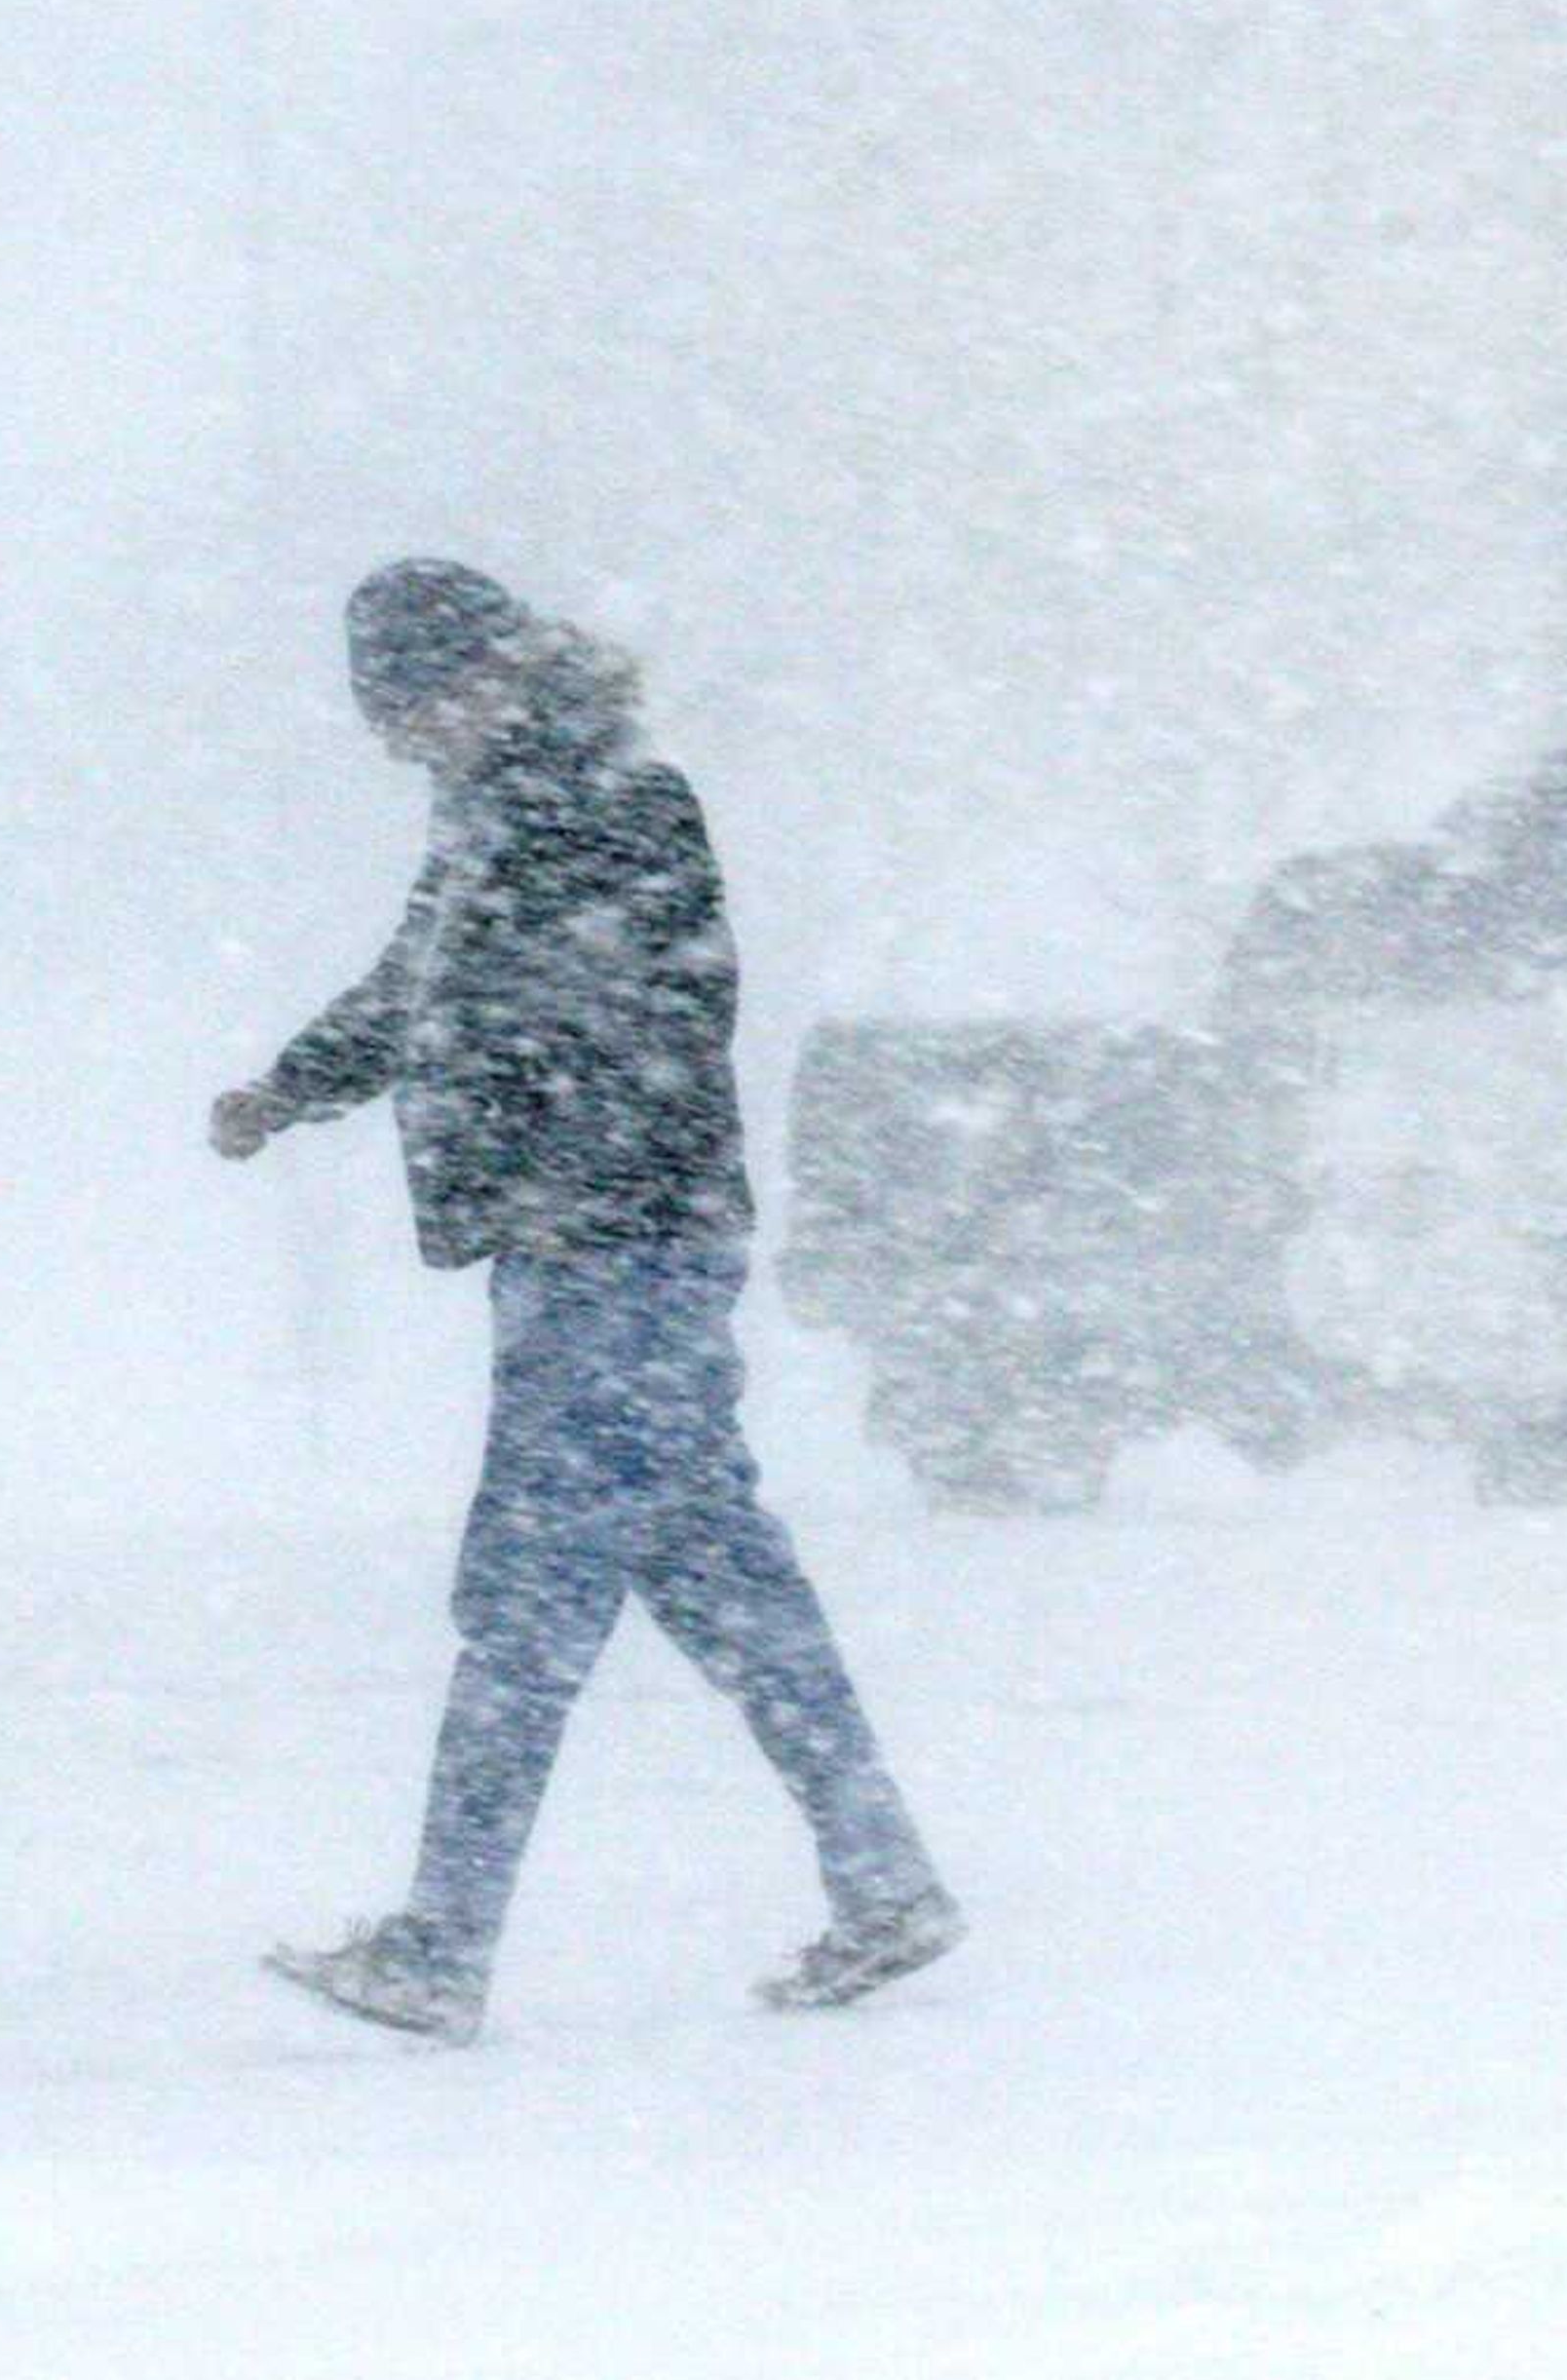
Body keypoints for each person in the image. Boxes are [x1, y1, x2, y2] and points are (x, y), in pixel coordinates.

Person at [217, 558, 959, 2043]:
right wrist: (293, 1086)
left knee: (531, 1591)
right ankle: (886, 1883)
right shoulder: (497, 815)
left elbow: (637, 1011)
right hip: (586, 1247)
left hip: (619, 1248)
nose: (407, 739)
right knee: (720, 1579)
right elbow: (420, 990)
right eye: (391, 719)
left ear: (493, 670)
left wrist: (532, 1120)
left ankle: (442, 1943)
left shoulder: (620, 802)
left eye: (418, 705)